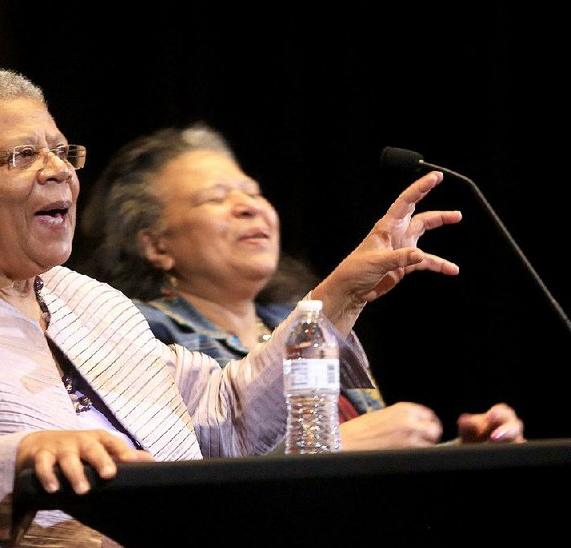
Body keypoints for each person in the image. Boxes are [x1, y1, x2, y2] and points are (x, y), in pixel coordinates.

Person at [0, 67, 464, 548]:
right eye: (22, 156)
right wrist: (22, 459)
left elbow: (229, 414)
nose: (57, 171)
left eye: (62, 151)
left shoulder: (94, 303)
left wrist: (342, 291)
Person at [78, 123, 525, 450]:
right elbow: (184, 475)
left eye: (253, 192)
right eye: (217, 198)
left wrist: (461, 457)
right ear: (156, 245)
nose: (249, 208)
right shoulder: (140, 333)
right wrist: (339, 448)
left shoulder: (293, 319)